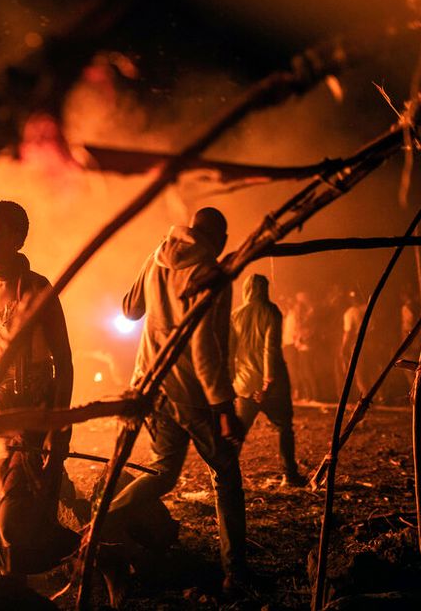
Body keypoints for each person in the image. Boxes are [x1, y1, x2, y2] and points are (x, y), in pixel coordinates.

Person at [107, 207, 248, 594]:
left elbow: (129, 309)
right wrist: (223, 407)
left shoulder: (158, 254)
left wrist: (157, 291)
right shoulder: (212, 272)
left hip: (152, 385)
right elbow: (205, 346)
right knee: (227, 477)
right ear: (219, 239)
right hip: (193, 393)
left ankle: (102, 525)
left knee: (163, 471)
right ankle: (235, 571)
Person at [0, 200, 79, 576]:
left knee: (16, 522)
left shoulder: (37, 290)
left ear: (16, 238)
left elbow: (63, 363)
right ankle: (15, 589)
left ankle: (87, 550)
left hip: (36, 417)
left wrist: (57, 428)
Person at [230, 274, 307, 487]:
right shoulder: (272, 311)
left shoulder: (236, 315)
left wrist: (230, 382)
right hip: (273, 385)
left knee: (237, 432)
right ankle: (289, 475)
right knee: (284, 427)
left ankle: (226, 476)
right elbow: (270, 348)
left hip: (244, 384)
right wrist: (267, 382)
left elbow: (230, 353)